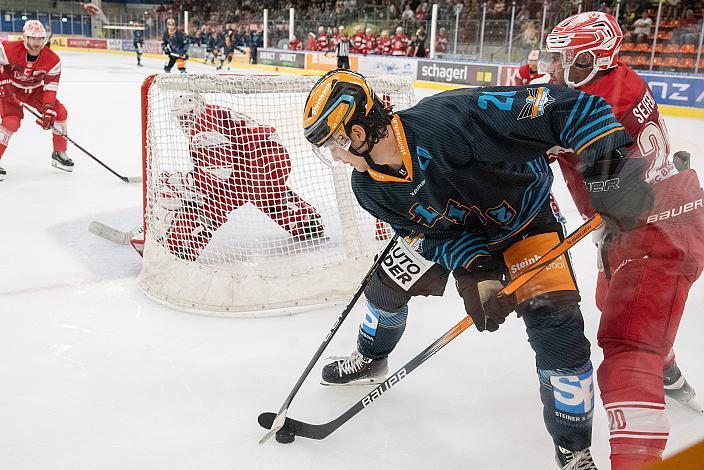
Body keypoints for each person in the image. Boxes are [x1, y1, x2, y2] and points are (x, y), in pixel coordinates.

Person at [303, 69, 654, 469]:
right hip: (464, 234)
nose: (334, 154)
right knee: (384, 288)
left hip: (526, 222)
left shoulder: (455, 116)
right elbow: (433, 235)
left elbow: (572, 107)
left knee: (557, 334)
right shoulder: (368, 187)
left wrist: (610, 172)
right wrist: (477, 273)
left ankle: (572, 448)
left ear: (359, 133)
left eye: (335, 142)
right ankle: (372, 356)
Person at [544, 12, 704, 470]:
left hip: (654, 229)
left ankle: (652, 386)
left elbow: (542, 133)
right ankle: (667, 369)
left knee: (627, 348)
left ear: (594, 59)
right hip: (643, 215)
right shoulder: (619, 79)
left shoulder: (593, 107)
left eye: (564, 59)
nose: (554, 68)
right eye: (554, 58)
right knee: (608, 299)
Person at [149, 93, 325, 260]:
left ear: (195, 110)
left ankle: (179, 247)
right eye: (180, 119)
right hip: (270, 159)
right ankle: (307, 222)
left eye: (186, 116)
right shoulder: (214, 113)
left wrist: (181, 184)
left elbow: (217, 173)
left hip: (253, 165)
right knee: (268, 196)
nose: (183, 122)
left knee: (212, 205)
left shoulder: (204, 125)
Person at [0, 20, 73, 180]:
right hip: (9, 89)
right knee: (11, 122)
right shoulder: (7, 50)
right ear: (25, 38)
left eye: (40, 38)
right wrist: (3, 82)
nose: (36, 43)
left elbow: (50, 88)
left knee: (59, 113)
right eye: (33, 38)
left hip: (34, 91)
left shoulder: (53, 60)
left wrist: (47, 110)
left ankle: (59, 152)